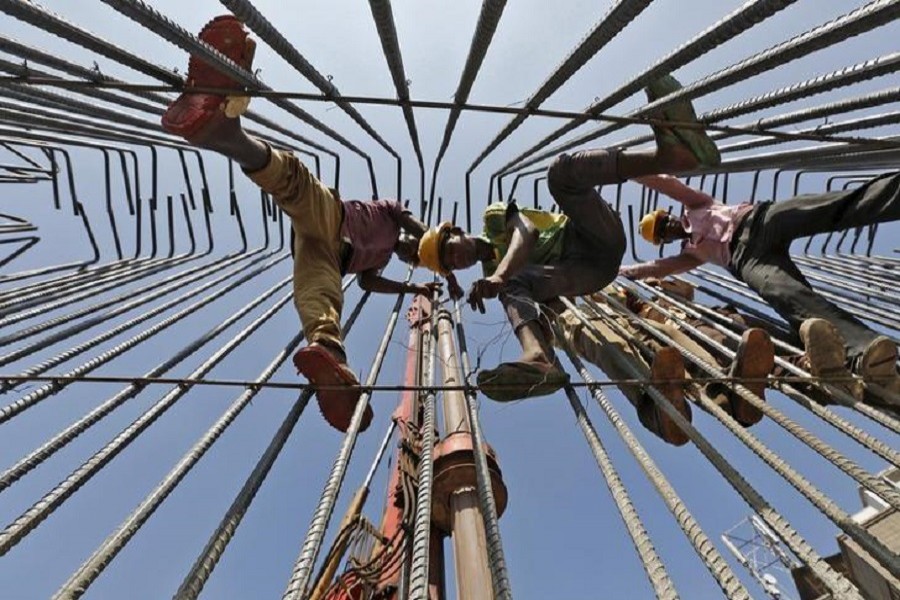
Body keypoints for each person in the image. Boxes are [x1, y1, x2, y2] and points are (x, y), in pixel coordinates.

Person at [161, 16, 445, 432]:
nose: (410, 254)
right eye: (414, 251)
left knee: (319, 298)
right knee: (295, 183)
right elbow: (410, 221)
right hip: (334, 216)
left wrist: (413, 286)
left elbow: (368, 284)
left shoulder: (381, 257)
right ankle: (226, 133)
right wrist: (437, 245)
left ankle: (331, 359)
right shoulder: (390, 213)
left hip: (327, 253)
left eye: (414, 257)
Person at [418, 75, 721, 401]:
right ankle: (540, 358)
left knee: (560, 175)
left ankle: (671, 157)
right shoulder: (494, 276)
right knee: (513, 287)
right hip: (585, 275)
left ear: (457, 232)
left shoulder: (494, 221)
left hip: (592, 235)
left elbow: (526, 232)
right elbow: (544, 292)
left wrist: (499, 276)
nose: (455, 260)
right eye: (450, 264)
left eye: (448, 251)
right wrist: (528, 307)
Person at [621, 173, 900, 405]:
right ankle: (863, 354)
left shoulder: (695, 206)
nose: (668, 227)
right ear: (664, 240)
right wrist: (625, 272)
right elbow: (660, 269)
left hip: (760, 219)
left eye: (663, 221)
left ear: (667, 214)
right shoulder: (691, 253)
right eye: (662, 232)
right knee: (787, 297)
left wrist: (634, 171)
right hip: (747, 260)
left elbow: (669, 184)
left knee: (833, 207)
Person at [556, 282, 774, 445]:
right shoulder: (547, 303)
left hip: (624, 319)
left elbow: (610, 293)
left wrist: (595, 286)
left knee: (669, 336)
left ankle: (726, 392)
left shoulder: (593, 289)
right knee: (611, 347)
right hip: (582, 324)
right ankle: (657, 410)